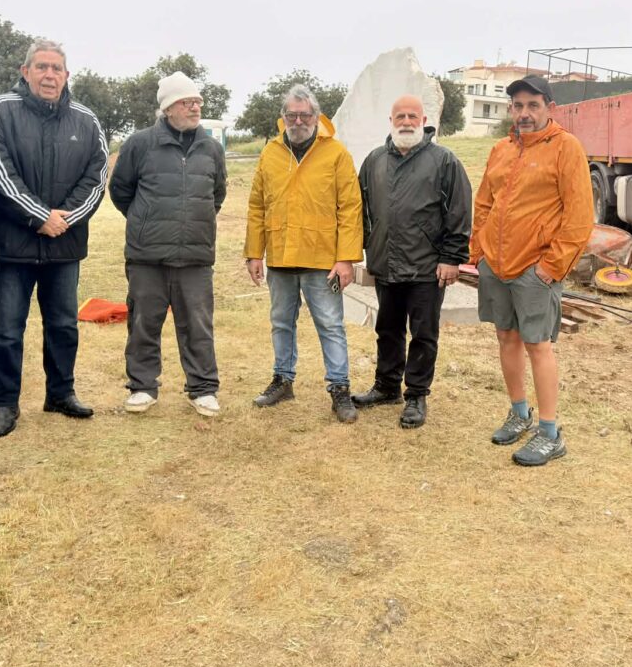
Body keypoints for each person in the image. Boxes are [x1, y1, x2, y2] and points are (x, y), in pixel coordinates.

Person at [0, 38, 108, 437]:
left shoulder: (86, 119)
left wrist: (63, 220)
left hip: (64, 246)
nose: (49, 75)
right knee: (7, 329)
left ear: (66, 75)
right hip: (13, 247)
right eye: (42, 67)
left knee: (64, 325)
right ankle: (5, 403)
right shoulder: (0, 110)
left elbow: (97, 176)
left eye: (56, 69)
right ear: (26, 72)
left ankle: (60, 393)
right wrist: (38, 217)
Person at [470, 74, 593, 466]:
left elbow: (579, 216)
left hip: (534, 269)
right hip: (496, 265)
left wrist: (551, 267)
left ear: (549, 108)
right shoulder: (501, 149)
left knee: (538, 345)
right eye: (518, 106)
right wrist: (479, 253)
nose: (524, 113)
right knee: (506, 337)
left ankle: (550, 433)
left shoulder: (566, 148)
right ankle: (519, 413)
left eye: (533, 106)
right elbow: (484, 203)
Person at [109, 72, 227, 417]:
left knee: (198, 326)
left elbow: (217, 194)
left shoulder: (212, 148)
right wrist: (146, 221)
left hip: (195, 256)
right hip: (147, 256)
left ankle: (203, 389)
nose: (195, 107)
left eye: (197, 101)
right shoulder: (139, 144)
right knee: (143, 323)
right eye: (186, 102)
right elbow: (121, 191)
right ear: (168, 108)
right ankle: (142, 387)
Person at [244, 84, 363, 422]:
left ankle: (340, 389)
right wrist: (254, 253)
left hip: (322, 260)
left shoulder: (336, 153)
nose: (298, 121)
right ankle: (283, 380)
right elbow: (257, 206)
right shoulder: (270, 153)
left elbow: (350, 208)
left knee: (330, 325)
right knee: (281, 322)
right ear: (283, 117)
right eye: (291, 115)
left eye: (305, 115)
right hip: (280, 256)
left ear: (316, 116)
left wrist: (346, 259)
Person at [354, 95, 471, 428]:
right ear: (390, 122)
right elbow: (360, 209)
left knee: (423, 334)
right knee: (387, 329)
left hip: (427, 267)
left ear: (423, 121)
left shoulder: (444, 161)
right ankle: (386, 386)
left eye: (412, 116)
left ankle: (417, 395)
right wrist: (364, 247)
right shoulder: (374, 160)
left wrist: (451, 258)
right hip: (386, 263)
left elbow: (460, 212)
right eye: (400, 117)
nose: (406, 122)